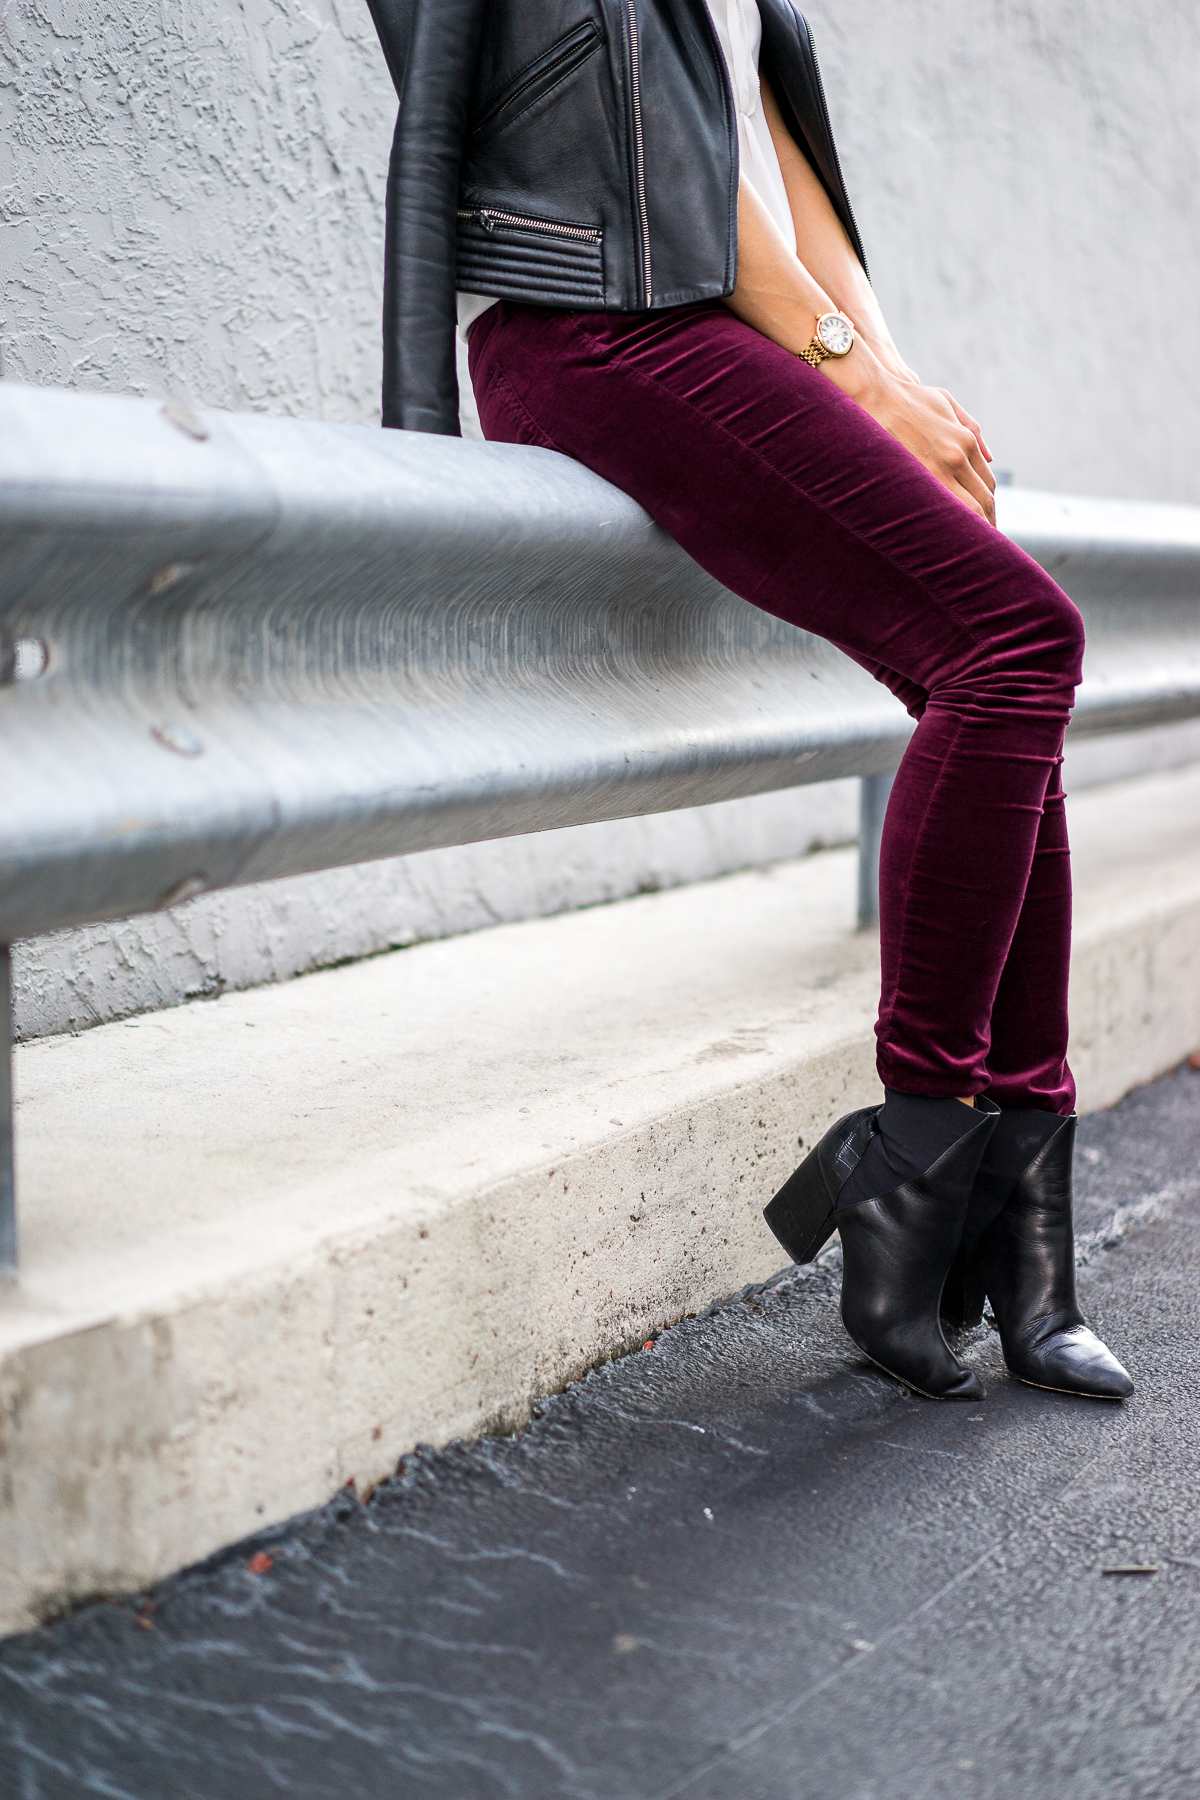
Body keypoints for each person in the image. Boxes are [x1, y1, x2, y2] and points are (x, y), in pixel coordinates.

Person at [364, 0, 1133, 1402]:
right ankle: (912, 1153)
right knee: (1018, 642)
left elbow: (780, 168)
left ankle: (1020, 1237)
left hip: (728, 333)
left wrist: (896, 382)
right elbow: (657, 174)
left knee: (1007, 671)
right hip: (598, 333)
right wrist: (853, 375)